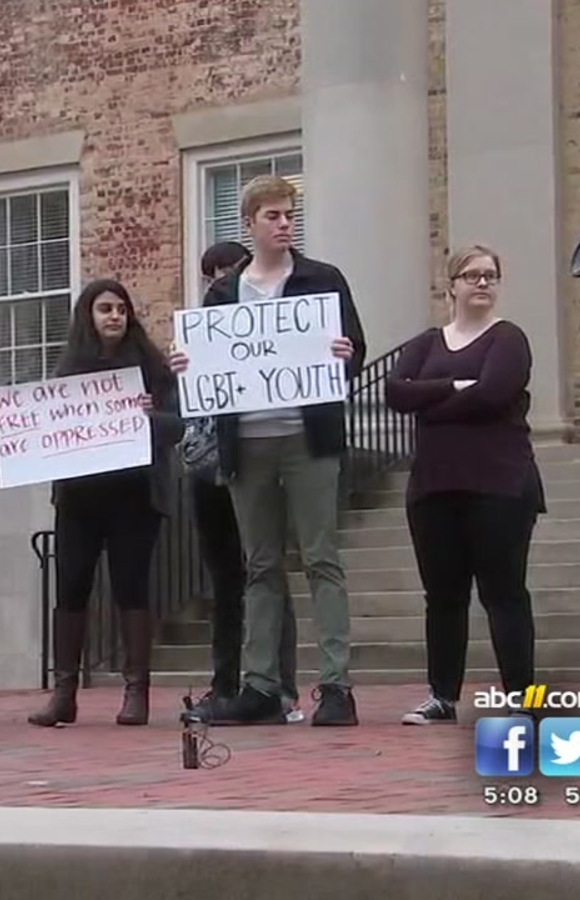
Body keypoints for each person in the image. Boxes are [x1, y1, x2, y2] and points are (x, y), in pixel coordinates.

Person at [174, 175, 366, 727]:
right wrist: (187, 366)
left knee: (320, 557)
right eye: (273, 216)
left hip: (309, 437)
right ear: (250, 224)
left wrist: (344, 353)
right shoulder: (224, 293)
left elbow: (354, 352)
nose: (284, 224)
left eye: (289, 215)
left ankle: (335, 684)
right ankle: (260, 684)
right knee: (260, 563)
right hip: (248, 441)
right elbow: (205, 360)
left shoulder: (321, 280)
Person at [384, 245, 544, 725]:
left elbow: (494, 393)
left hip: (499, 483)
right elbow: (394, 392)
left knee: (504, 591)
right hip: (434, 487)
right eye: (472, 275)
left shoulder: (507, 338)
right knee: (444, 596)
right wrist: (454, 387)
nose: (482, 283)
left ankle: (522, 696)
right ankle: (442, 696)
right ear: (451, 285)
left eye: (490, 275)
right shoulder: (427, 343)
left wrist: (430, 399)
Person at [17, 278, 185, 728]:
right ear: (88, 316)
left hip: (136, 496)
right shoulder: (69, 370)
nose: (114, 316)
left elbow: (177, 427)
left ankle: (136, 692)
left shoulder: (153, 367)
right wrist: (8, 418)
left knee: (132, 587)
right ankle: (65, 693)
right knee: (71, 588)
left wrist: (150, 418)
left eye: (121, 309)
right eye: (105, 308)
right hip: (80, 498)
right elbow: (42, 427)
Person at [181, 240, 301, 723]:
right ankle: (225, 682)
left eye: (227, 271)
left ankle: (279, 683)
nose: (218, 281)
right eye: (210, 275)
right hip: (206, 470)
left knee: (266, 570)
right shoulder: (197, 335)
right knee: (226, 581)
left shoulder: (269, 320)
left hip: (255, 458)